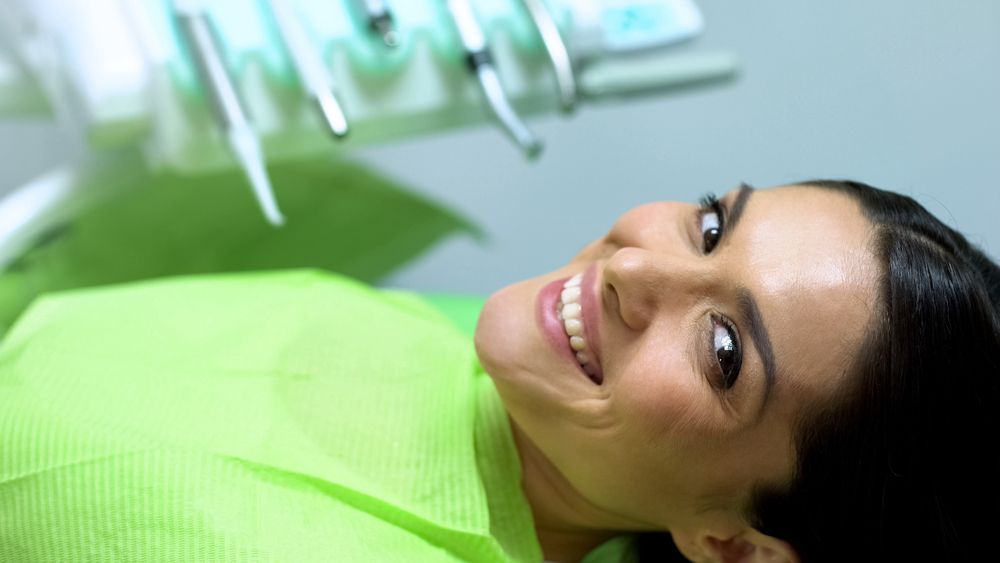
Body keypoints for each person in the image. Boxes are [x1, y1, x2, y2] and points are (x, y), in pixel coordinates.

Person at [0, 180, 995, 563]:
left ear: (733, 543)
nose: (634, 268)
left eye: (723, 349)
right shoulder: (508, 367)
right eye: (709, 224)